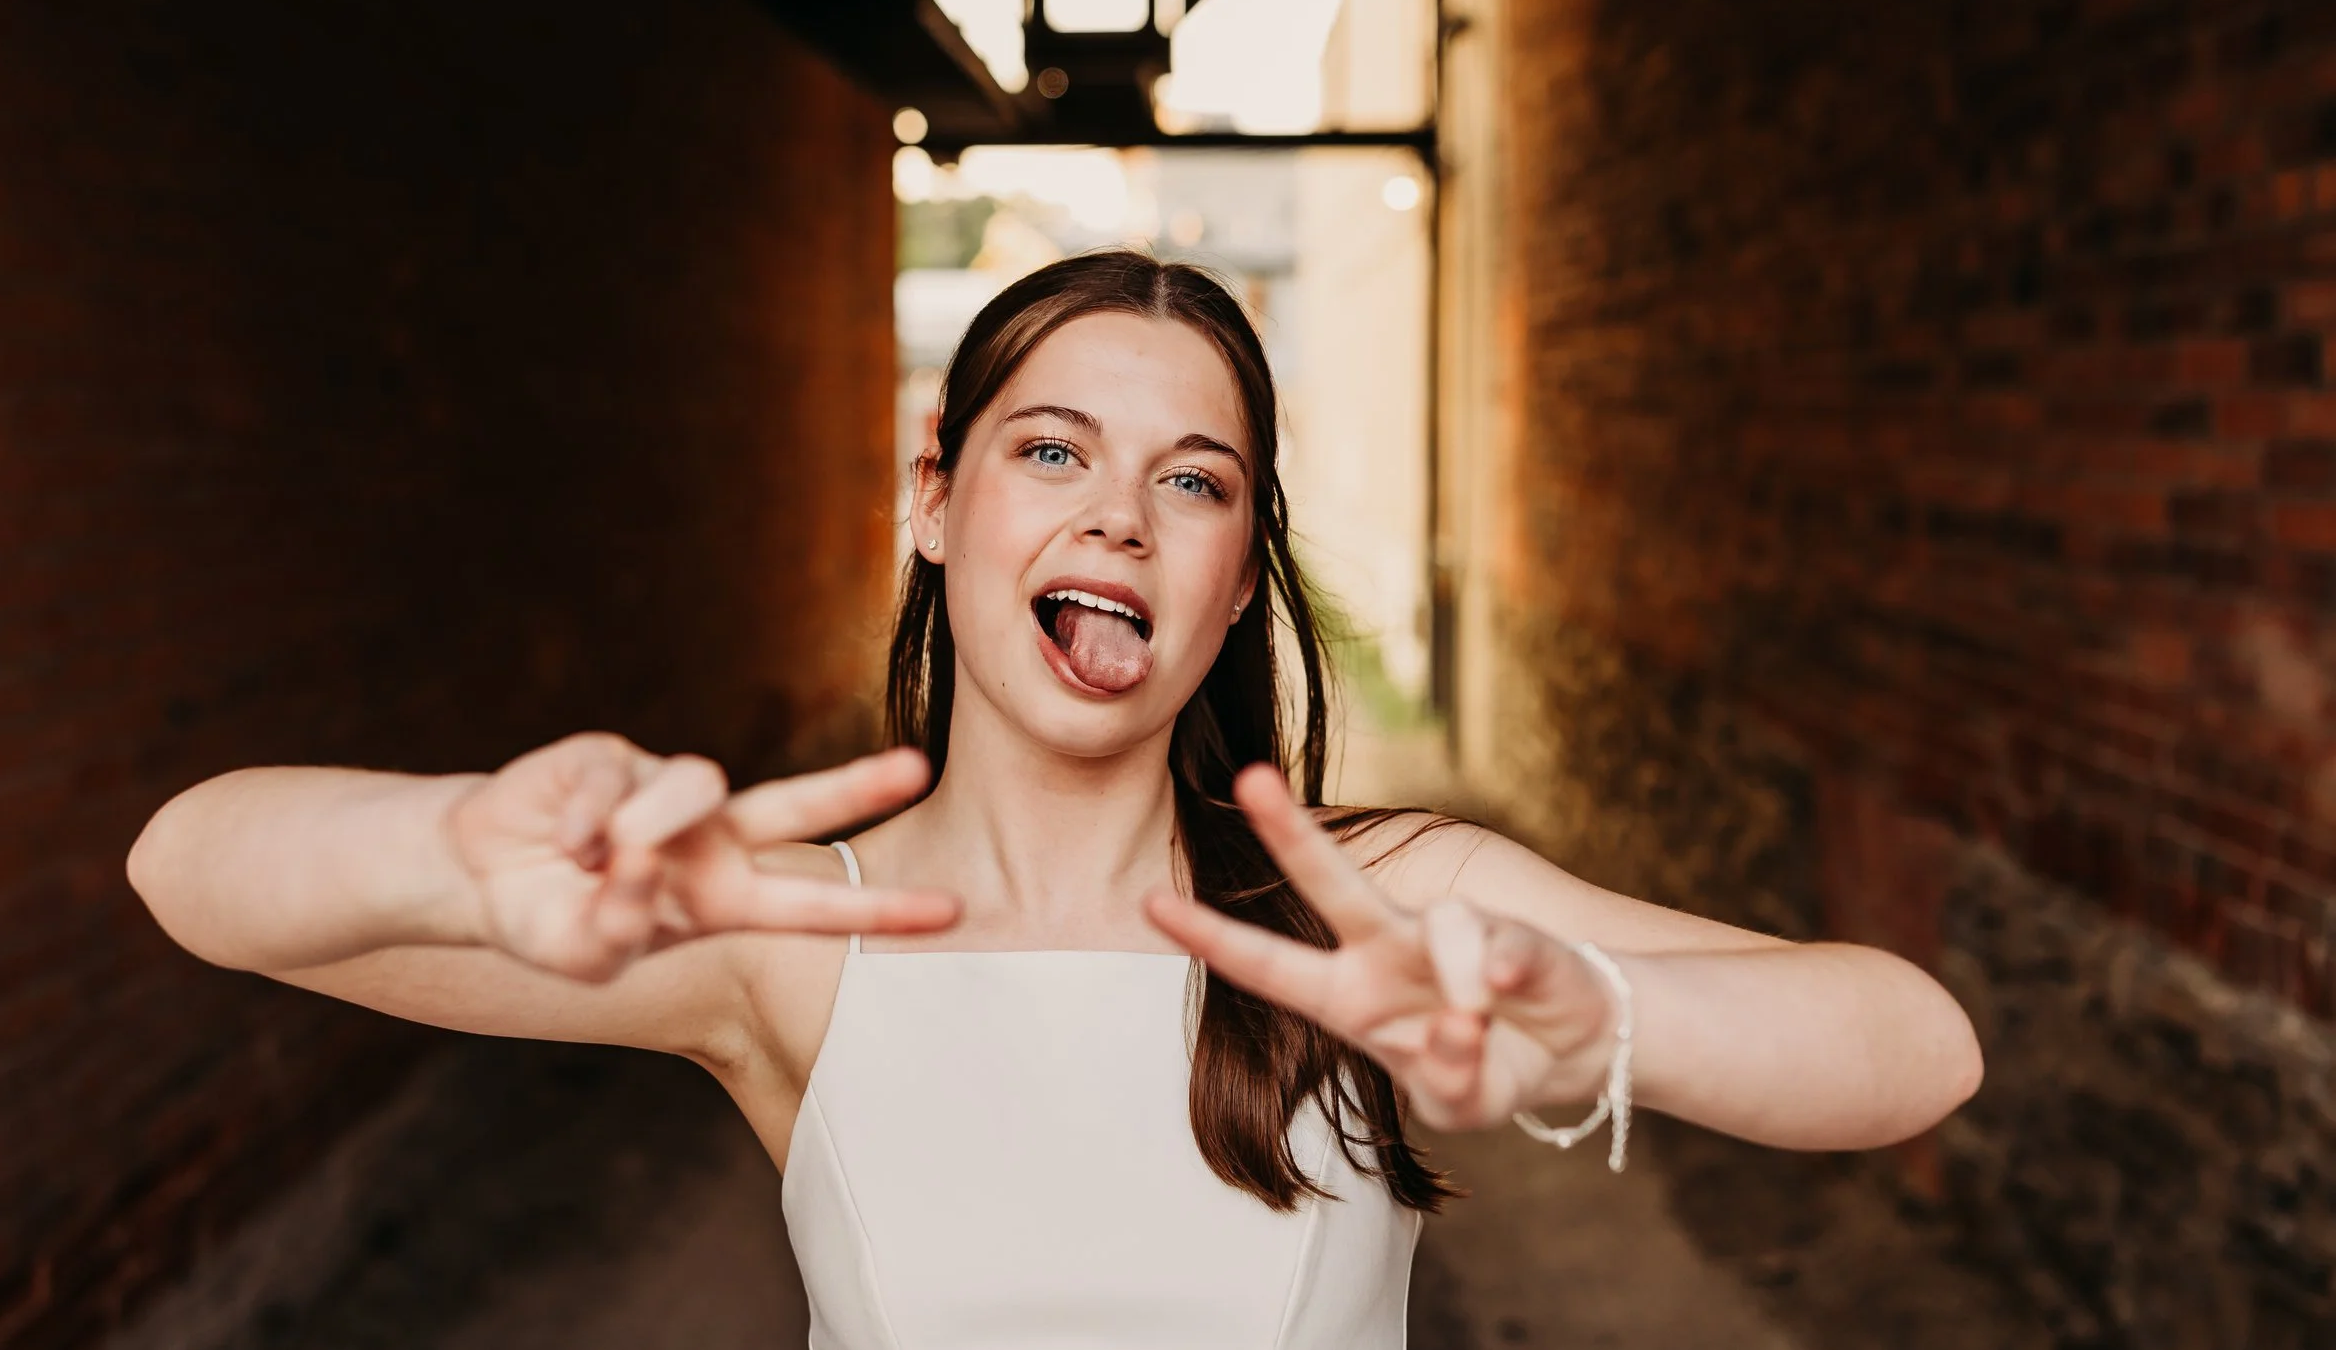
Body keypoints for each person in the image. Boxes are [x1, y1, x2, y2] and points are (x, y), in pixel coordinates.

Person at [129, 251, 1982, 1349]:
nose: (1118, 513)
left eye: (1194, 480)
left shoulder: (1374, 904)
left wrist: (1606, 1023)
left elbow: (1916, 1046)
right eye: (1051, 448)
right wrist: (447, 844)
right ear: (935, 503)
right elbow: (190, 869)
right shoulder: (790, 942)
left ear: (1240, 574)